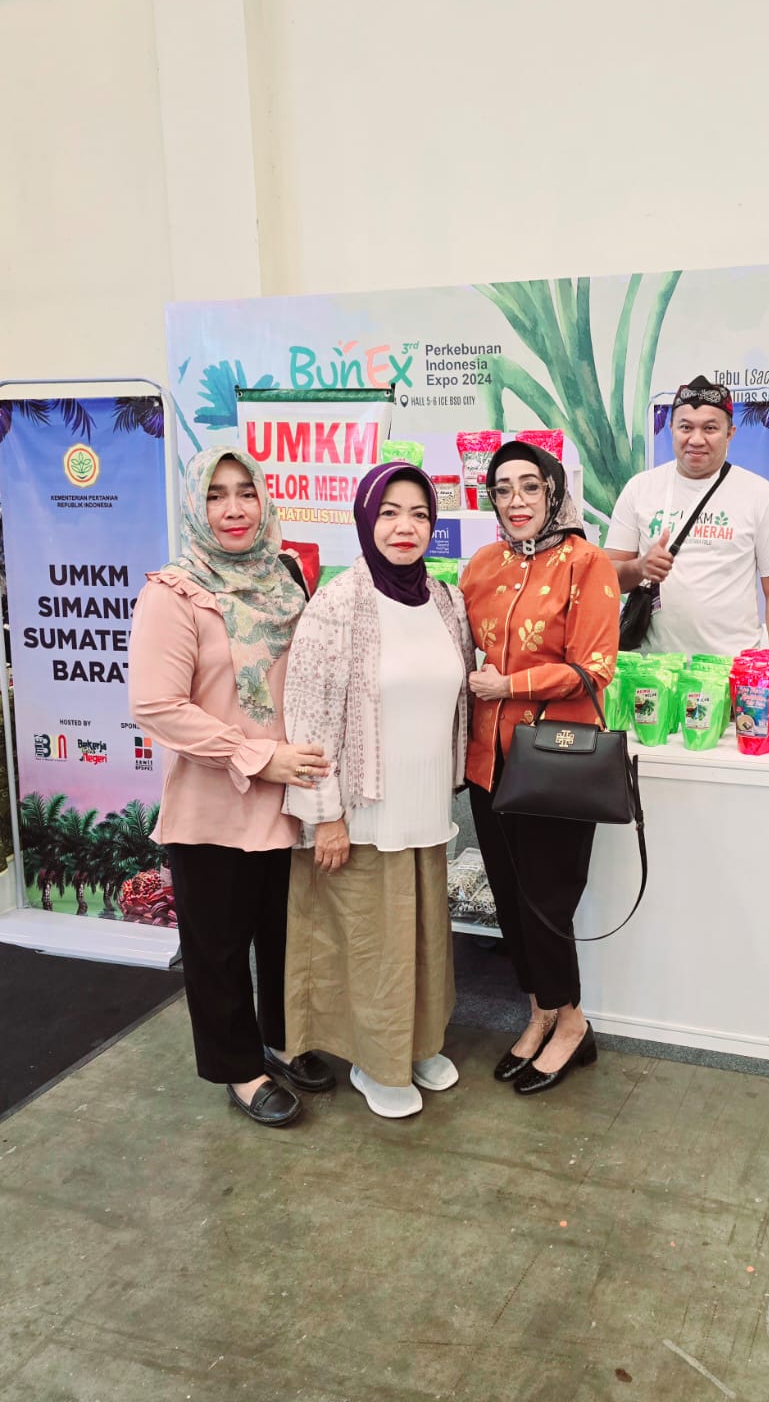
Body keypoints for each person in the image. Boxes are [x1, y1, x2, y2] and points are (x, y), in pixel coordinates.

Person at [129, 450, 335, 1129]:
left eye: (246, 492)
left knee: (285, 936)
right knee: (218, 950)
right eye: (216, 496)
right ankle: (240, 1069)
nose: (234, 509)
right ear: (197, 506)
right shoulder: (174, 592)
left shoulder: (286, 576)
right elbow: (156, 705)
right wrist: (256, 755)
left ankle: (283, 1038)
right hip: (216, 804)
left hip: (288, 799)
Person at [281, 462, 474, 1120]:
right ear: (366, 519)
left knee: (421, 939)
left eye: (419, 514)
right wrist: (325, 817)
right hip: (362, 815)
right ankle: (375, 1061)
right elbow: (308, 720)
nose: (404, 527)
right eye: (389, 512)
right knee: (371, 944)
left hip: (425, 809)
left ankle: (416, 1044)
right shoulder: (338, 604)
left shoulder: (444, 600)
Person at [460, 442, 620, 1095]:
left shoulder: (587, 562)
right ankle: (539, 1014)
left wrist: (511, 686)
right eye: (503, 489)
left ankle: (572, 1022)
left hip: (555, 761)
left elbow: (594, 668)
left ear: (553, 491)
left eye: (531, 486)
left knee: (547, 903)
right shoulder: (481, 565)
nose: (517, 500)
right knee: (509, 900)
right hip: (488, 763)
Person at [605, 375, 769, 656]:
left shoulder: (759, 494)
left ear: (730, 433)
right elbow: (607, 577)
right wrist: (639, 568)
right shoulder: (640, 489)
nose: (696, 439)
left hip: (730, 666)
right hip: (652, 668)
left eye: (710, 428)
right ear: (671, 428)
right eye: (685, 427)